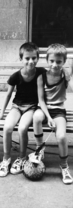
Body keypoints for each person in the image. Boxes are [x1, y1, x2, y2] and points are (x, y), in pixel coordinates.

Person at [0, 42, 46, 177]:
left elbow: (56, 73)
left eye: (34, 58)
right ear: (21, 59)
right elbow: (8, 95)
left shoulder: (41, 72)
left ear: (38, 58)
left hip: (31, 108)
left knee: (22, 128)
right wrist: (1, 114)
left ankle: (21, 158)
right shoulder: (15, 76)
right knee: (7, 127)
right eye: (27, 58)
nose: (31, 61)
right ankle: (6, 159)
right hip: (17, 106)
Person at [33, 43, 73, 184]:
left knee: (61, 136)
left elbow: (70, 74)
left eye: (59, 61)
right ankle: (39, 148)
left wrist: (67, 73)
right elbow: (41, 100)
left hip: (59, 110)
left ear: (64, 62)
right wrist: (49, 118)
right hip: (45, 109)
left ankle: (64, 166)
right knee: (37, 116)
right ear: (47, 60)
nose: (55, 65)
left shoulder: (65, 75)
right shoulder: (41, 77)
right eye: (52, 61)